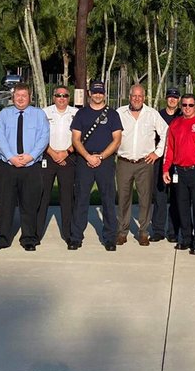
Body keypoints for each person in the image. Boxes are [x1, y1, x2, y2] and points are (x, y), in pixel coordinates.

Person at [0, 83, 50, 251]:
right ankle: (1, 239)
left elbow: (44, 137)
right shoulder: (4, 114)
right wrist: (11, 157)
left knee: (30, 205)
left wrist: (31, 156)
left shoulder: (39, 115)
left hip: (31, 166)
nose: (21, 99)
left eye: (24, 95)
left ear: (30, 97)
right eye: (18, 95)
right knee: (4, 205)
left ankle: (29, 239)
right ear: (13, 97)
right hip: (7, 166)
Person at [69, 80, 124, 250]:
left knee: (108, 200)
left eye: (100, 92)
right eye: (95, 92)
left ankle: (110, 238)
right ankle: (76, 237)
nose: (98, 95)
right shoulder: (81, 114)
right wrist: (87, 156)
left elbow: (117, 139)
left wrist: (100, 156)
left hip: (105, 161)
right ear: (89, 94)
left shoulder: (113, 115)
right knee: (81, 199)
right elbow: (76, 139)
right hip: (84, 161)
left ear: (104, 94)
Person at [161, 92, 195, 255]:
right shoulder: (175, 124)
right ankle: (186, 238)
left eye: (190, 105)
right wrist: (165, 169)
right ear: (181, 106)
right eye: (184, 105)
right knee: (182, 206)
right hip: (180, 171)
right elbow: (169, 149)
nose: (187, 108)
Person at [115, 84, 165, 245]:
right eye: (134, 96)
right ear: (129, 97)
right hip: (124, 162)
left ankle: (143, 232)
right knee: (123, 198)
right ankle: (122, 231)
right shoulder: (119, 113)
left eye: (140, 96)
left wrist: (157, 152)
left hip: (145, 163)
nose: (137, 99)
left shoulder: (152, 114)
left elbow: (166, 132)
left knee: (145, 198)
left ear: (144, 98)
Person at [39, 84, 78, 241]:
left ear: (69, 98)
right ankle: (36, 234)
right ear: (53, 97)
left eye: (65, 96)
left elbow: (80, 138)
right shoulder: (44, 113)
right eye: (58, 95)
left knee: (67, 198)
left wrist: (65, 153)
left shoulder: (76, 113)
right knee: (42, 196)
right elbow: (40, 136)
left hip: (68, 157)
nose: (62, 98)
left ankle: (68, 235)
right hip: (48, 156)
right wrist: (53, 153)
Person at [150, 87, 181, 242]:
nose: (172, 100)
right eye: (170, 97)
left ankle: (173, 231)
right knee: (160, 196)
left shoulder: (183, 114)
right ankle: (158, 230)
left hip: (177, 161)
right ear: (166, 98)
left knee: (176, 197)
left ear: (179, 99)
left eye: (175, 97)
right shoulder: (158, 115)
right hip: (160, 160)